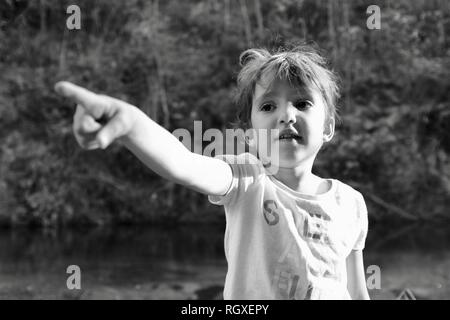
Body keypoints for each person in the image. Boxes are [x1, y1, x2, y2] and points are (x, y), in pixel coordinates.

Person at [55, 45, 370, 300]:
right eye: (268, 107)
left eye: (302, 103)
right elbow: (183, 163)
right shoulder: (246, 179)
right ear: (249, 133)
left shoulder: (351, 203)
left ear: (328, 127)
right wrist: (131, 124)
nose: (286, 115)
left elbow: (356, 292)